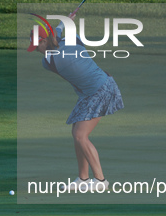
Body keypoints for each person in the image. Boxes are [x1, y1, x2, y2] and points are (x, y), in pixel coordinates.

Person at [27, 15, 124, 192]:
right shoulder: (73, 42)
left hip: (100, 91)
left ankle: (101, 180)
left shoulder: (49, 62)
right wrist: (65, 23)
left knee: (80, 135)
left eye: (36, 45)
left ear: (44, 41)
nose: (35, 50)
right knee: (76, 133)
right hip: (98, 87)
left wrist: (61, 25)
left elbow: (55, 36)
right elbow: (60, 36)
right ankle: (83, 179)